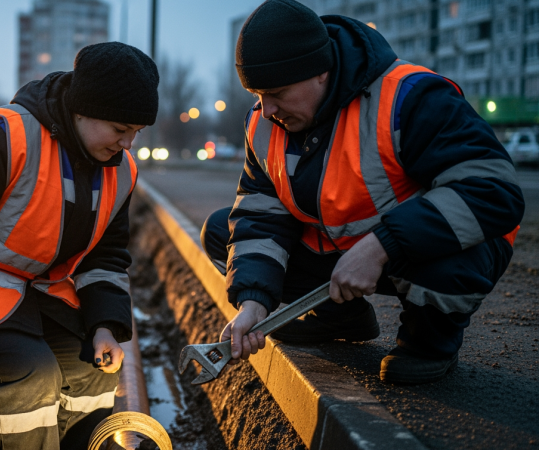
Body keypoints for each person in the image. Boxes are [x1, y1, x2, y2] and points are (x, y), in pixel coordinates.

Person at [201, 0, 523, 385]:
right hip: (342, 255)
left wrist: (380, 246)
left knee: (453, 264)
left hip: (417, 252)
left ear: (320, 72)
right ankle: (340, 317)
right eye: (257, 93)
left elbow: (495, 189)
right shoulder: (264, 122)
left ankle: (428, 341)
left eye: (278, 93)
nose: (266, 109)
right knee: (223, 231)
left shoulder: (409, 97)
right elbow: (259, 215)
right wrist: (253, 301)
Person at [0, 42, 158, 449]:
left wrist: (105, 325)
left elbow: (105, 257)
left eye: (136, 134)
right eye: (120, 130)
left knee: (94, 369)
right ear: (81, 109)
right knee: (33, 374)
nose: (127, 145)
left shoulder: (120, 172)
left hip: (35, 295)